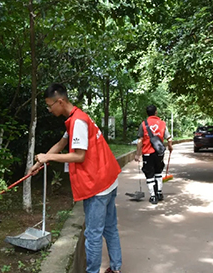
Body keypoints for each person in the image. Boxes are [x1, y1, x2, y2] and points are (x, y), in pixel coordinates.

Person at [29, 83, 122, 273]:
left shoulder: (78, 121)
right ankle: (116, 268)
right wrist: (41, 162)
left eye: (50, 105)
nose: (49, 109)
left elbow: (79, 156)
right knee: (110, 228)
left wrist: (49, 157)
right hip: (109, 180)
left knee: (93, 234)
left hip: (98, 185)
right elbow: (62, 143)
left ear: (60, 101)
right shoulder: (76, 118)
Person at [134, 105, 173, 204]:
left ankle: (153, 196)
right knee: (158, 172)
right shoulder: (162, 124)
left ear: (147, 113)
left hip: (147, 153)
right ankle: (159, 193)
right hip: (159, 153)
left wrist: (138, 154)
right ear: (156, 112)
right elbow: (169, 138)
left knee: (150, 174)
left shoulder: (143, 124)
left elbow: (140, 140)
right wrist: (170, 147)